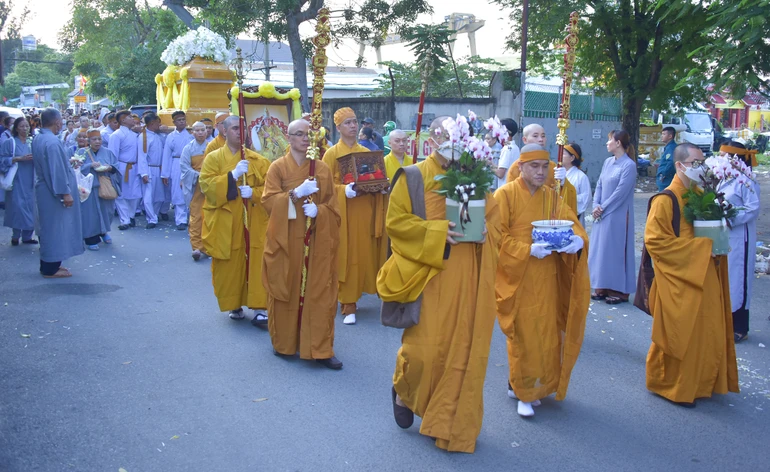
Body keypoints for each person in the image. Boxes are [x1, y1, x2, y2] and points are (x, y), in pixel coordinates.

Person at [377, 116, 501, 453]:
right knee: (423, 352)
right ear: (432, 139)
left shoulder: (473, 175)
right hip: (428, 276)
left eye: (458, 136)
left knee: (459, 353)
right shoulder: (415, 176)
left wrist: (487, 233)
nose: (453, 142)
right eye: (446, 136)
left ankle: (444, 420)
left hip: (467, 279)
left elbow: (493, 218)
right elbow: (396, 223)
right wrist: (435, 233)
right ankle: (403, 389)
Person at [495, 144, 590, 418]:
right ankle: (522, 390)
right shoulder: (506, 195)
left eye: (544, 166)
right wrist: (525, 250)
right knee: (523, 334)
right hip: (519, 275)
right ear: (520, 167)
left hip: (547, 276)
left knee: (546, 333)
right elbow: (496, 237)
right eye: (533, 166)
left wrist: (577, 241)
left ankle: (537, 386)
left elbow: (573, 225)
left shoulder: (552, 196)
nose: (540, 172)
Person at [645, 143, 739, 407]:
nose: (702, 167)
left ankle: (701, 382)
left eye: (703, 161)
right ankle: (672, 385)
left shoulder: (700, 192)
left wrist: (717, 240)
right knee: (680, 332)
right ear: (680, 165)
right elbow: (655, 242)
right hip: (679, 276)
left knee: (707, 328)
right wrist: (702, 248)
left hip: (704, 271)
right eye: (696, 162)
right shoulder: (666, 199)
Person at [261, 119, 343, 369]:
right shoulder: (277, 168)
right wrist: (295, 194)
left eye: (310, 134)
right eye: (299, 134)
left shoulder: (321, 169)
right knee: (287, 288)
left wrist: (319, 211)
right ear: (289, 138)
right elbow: (267, 202)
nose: (306, 138)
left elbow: (333, 208)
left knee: (319, 292)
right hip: (287, 240)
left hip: (316, 240)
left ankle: (320, 348)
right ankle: (285, 342)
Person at [199, 116, 271, 325]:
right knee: (230, 263)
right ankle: (235, 303)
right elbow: (207, 187)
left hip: (254, 219)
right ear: (223, 131)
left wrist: (254, 193)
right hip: (226, 221)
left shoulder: (258, 160)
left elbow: (270, 188)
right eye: (234, 128)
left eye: (243, 129)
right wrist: (232, 175)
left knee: (257, 260)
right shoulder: (213, 158)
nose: (240, 132)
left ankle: (259, 306)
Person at [322, 107, 388, 325]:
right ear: (338, 127)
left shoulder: (366, 152)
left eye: (354, 121)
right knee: (346, 256)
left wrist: (380, 187)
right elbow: (324, 185)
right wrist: (343, 190)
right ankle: (347, 303)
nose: (353, 125)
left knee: (363, 253)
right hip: (343, 212)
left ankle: (359, 293)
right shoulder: (331, 154)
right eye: (348, 122)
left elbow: (373, 176)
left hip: (364, 210)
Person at [32, 108, 84, 278]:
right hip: (53, 192)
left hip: (45, 188)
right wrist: (65, 193)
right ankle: (50, 267)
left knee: (50, 227)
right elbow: (56, 170)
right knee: (54, 229)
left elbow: (52, 163)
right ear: (57, 122)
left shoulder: (40, 137)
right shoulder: (52, 142)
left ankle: (50, 264)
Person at [718, 141, 760, 343]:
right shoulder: (724, 178)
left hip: (740, 235)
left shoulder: (747, 180)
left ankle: (740, 326)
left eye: (725, 156)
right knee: (726, 277)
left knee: (739, 279)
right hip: (725, 235)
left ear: (735, 159)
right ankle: (725, 321)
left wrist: (730, 215)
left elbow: (752, 208)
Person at [589, 130, 637, 304]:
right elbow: (600, 185)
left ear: (618, 143)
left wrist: (603, 208)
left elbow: (620, 193)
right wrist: (596, 205)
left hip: (618, 213)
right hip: (602, 212)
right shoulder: (608, 162)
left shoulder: (629, 166)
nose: (607, 143)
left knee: (616, 250)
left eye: (610, 140)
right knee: (601, 249)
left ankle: (618, 288)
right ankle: (601, 284)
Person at [505, 123, 579, 214]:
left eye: (543, 136)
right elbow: (510, 197)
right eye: (535, 136)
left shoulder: (552, 167)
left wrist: (564, 183)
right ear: (525, 139)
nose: (540, 139)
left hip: (546, 217)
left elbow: (563, 200)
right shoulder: (516, 168)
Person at [79, 129, 121, 250]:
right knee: (90, 213)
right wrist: (89, 166)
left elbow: (116, 167)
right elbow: (76, 168)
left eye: (99, 139)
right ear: (88, 141)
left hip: (105, 184)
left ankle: (103, 232)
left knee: (107, 211)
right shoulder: (82, 152)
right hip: (89, 187)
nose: (97, 142)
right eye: (94, 139)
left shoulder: (108, 152)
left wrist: (109, 168)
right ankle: (90, 238)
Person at [0, 117, 37, 245]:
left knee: (31, 207)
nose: (25, 129)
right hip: (16, 179)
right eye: (21, 126)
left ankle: (27, 236)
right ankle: (15, 235)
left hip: (31, 178)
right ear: (16, 128)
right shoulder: (10, 143)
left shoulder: (32, 142)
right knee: (17, 207)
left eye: (27, 126)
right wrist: (18, 158)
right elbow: (2, 160)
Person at [180, 121, 210, 261]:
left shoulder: (212, 146)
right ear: (192, 132)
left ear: (207, 131)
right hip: (196, 185)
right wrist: (198, 176)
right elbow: (185, 168)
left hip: (211, 185)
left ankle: (209, 246)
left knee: (210, 216)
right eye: (197, 130)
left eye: (202, 130)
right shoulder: (188, 149)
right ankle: (197, 247)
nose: (200, 133)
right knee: (196, 216)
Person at [108, 110, 142, 230]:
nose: (132, 119)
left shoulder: (135, 135)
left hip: (135, 166)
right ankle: (125, 220)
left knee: (135, 194)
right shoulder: (116, 135)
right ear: (122, 120)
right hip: (122, 167)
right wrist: (114, 170)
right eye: (129, 117)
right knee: (121, 194)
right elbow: (113, 155)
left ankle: (131, 215)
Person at [161, 110, 194, 230]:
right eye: (179, 120)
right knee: (177, 191)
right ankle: (180, 220)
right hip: (175, 164)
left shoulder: (191, 136)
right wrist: (165, 174)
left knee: (189, 191)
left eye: (183, 120)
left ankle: (189, 218)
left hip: (188, 164)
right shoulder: (170, 137)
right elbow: (166, 155)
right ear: (174, 122)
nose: (182, 122)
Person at [137, 113, 166, 229]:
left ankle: (155, 213)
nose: (160, 124)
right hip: (149, 168)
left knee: (159, 195)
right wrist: (144, 173)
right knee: (148, 196)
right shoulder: (143, 137)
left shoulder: (158, 136)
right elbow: (142, 156)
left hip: (158, 168)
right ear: (152, 123)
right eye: (158, 122)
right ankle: (151, 218)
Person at [562, 143, 592, 226]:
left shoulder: (581, 177)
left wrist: (568, 197)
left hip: (574, 217)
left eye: (563, 153)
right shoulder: (558, 173)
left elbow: (586, 198)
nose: (560, 155)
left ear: (572, 158)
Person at [494, 118, 519, 189]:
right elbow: (504, 168)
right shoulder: (515, 147)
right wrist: (491, 163)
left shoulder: (506, 149)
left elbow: (500, 173)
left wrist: (488, 167)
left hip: (505, 189)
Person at [655, 127, 677, 191]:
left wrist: (664, 173)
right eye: (662, 134)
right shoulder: (668, 147)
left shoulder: (671, 148)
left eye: (664, 134)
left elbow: (671, 162)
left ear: (670, 136)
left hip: (666, 178)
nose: (662, 136)